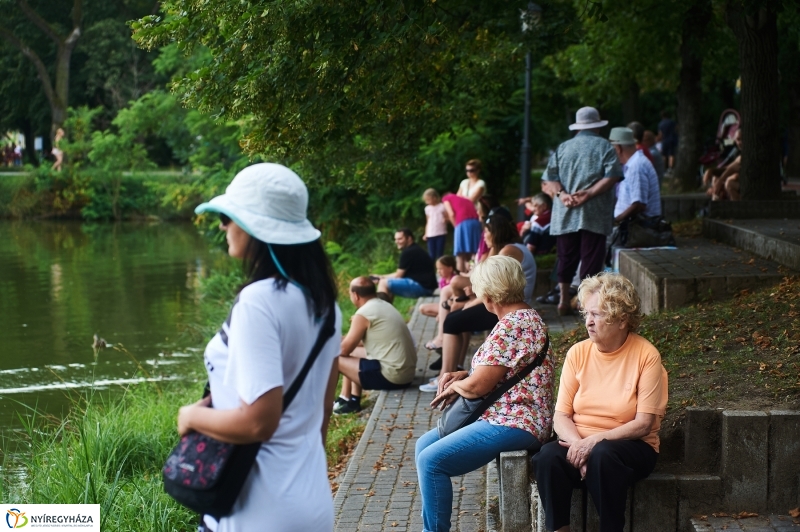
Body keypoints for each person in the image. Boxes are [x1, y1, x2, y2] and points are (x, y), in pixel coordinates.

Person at [183, 163, 342, 531]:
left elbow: (259, 421)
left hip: (258, 508)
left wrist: (189, 417)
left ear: (256, 226)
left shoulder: (259, 301)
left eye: (228, 217)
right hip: (310, 498)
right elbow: (321, 414)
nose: (223, 226)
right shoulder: (325, 305)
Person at [415, 255, 555, 532]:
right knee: (423, 447)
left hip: (518, 420)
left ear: (490, 293)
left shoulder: (512, 325)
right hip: (506, 414)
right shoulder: (523, 317)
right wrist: (464, 375)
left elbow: (479, 388)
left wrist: (457, 384)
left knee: (431, 462)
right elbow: (500, 372)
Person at [532, 273, 668, 532]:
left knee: (603, 455)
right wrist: (579, 448)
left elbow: (643, 424)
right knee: (547, 457)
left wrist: (593, 443)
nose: (589, 322)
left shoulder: (647, 355)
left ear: (622, 319)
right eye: (586, 314)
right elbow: (561, 416)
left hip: (631, 446)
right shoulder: (578, 353)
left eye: (597, 314)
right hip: (580, 442)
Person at [420, 210, 537, 392]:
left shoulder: (508, 250)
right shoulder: (508, 248)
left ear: (495, 232)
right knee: (456, 316)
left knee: (452, 320)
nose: (484, 236)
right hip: (512, 302)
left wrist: (467, 304)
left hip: (509, 303)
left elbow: (495, 285)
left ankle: (446, 372)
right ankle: (454, 368)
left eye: (487, 232)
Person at [541, 106, 623, 316]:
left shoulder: (563, 148)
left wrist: (562, 195)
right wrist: (590, 193)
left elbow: (549, 178)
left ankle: (562, 299)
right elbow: (613, 175)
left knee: (566, 257)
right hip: (593, 213)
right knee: (591, 258)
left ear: (578, 127)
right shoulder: (605, 146)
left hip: (565, 212)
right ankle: (584, 303)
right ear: (597, 126)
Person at [334, 276, 417, 414]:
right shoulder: (383, 305)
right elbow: (355, 342)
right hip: (405, 373)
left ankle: (327, 404)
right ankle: (352, 400)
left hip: (392, 377)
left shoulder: (364, 313)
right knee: (353, 353)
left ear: (355, 295)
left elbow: (343, 350)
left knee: (335, 358)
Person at [609, 127, 662, 224]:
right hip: (635, 228)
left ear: (618, 148)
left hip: (639, 229)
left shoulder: (636, 167)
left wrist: (616, 220)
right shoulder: (633, 164)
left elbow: (639, 205)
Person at [375, 228, 438, 300]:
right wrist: (381, 276)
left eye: (400, 239)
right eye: (396, 239)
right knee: (389, 283)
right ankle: (387, 309)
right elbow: (399, 275)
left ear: (409, 238)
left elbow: (398, 276)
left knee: (383, 283)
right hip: (427, 287)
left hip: (422, 287)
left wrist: (381, 278)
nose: (397, 242)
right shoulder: (415, 248)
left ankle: (380, 309)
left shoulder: (408, 252)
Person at [442, 192, 482, 273]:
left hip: (463, 223)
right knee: (473, 252)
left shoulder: (446, 198)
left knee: (460, 254)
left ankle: (461, 276)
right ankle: (473, 273)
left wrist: (456, 227)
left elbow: (451, 213)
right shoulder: (464, 199)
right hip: (476, 222)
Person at [706, 129, 742, 201]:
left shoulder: (745, 156)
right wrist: (711, 171)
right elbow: (728, 168)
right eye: (738, 139)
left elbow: (733, 170)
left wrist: (721, 181)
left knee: (729, 183)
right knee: (715, 178)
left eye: (741, 139)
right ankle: (716, 203)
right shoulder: (738, 154)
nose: (740, 142)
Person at [423, 188, 448, 259]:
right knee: (432, 254)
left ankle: (440, 268)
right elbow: (428, 221)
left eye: (428, 200)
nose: (427, 202)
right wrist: (426, 233)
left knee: (440, 253)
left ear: (434, 198)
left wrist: (445, 219)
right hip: (431, 233)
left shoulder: (442, 206)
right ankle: (431, 269)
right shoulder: (427, 209)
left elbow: (447, 217)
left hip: (441, 233)